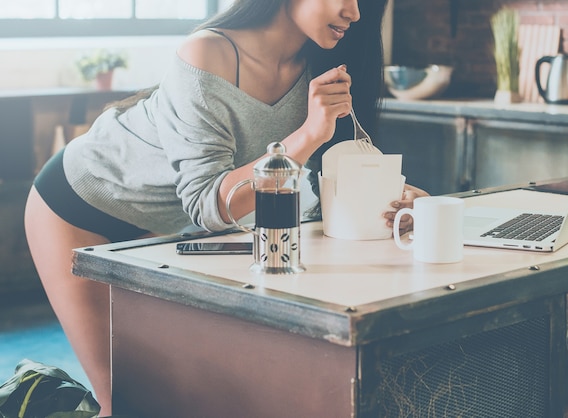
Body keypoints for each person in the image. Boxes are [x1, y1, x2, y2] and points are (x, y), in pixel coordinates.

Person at [24, 0, 428, 414]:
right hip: (79, 206)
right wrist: (308, 134)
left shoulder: (326, 67)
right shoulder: (208, 52)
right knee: (124, 400)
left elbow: (331, 175)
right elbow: (205, 201)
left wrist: (401, 200)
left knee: (170, 395)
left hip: (163, 228)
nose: (355, 12)